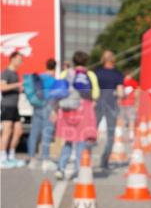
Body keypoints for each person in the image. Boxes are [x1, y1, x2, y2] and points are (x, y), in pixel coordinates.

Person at [55, 51, 100, 180]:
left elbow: (58, 90)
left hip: (67, 109)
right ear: (86, 61)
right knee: (81, 141)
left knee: (68, 141)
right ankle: (78, 172)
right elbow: (96, 94)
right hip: (84, 108)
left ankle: (60, 169)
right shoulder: (90, 75)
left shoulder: (65, 73)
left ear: (73, 61)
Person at [93, 50, 125, 170]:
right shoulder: (118, 74)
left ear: (103, 59)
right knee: (110, 134)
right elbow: (120, 93)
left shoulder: (97, 73)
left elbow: (92, 90)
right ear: (113, 59)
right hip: (111, 104)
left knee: (91, 131)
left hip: (98, 103)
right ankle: (104, 161)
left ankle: (84, 156)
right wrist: (122, 95)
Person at [24, 58, 58, 169]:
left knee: (34, 134)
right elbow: (53, 98)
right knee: (46, 134)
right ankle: (45, 159)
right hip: (47, 108)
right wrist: (54, 111)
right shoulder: (53, 81)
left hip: (36, 107)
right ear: (54, 68)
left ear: (46, 66)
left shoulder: (39, 77)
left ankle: (32, 159)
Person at [1, 51, 27, 168]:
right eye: (20, 60)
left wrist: (21, 88)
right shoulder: (6, 72)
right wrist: (17, 85)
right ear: (13, 59)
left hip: (14, 107)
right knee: (7, 132)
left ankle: (11, 156)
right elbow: (2, 87)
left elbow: (14, 88)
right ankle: (2, 158)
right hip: (7, 106)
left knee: (18, 131)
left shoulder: (15, 73)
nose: (21, 62)